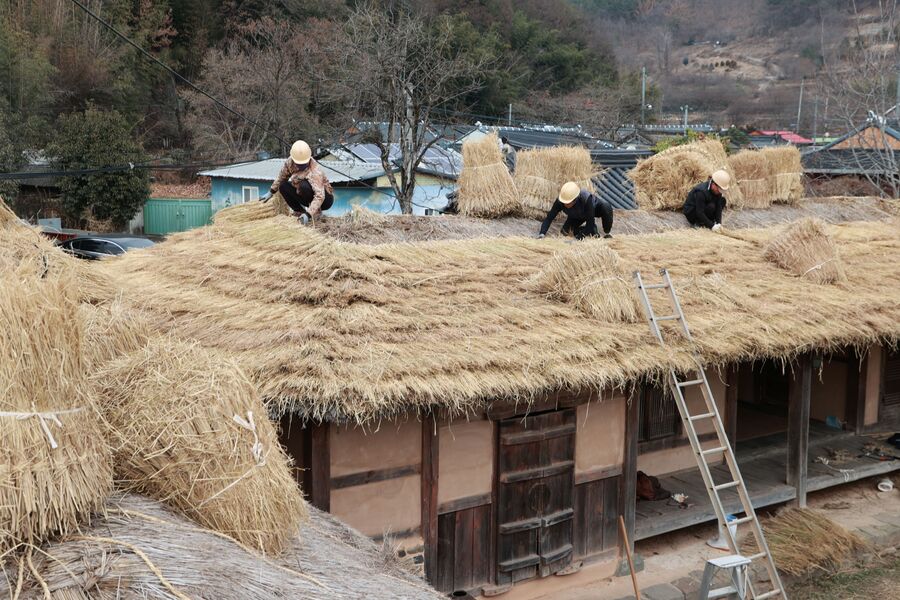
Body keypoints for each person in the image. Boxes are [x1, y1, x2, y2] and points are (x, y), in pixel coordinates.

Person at [261, 140, 334, 222]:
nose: (301, 166)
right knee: (283, 185)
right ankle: (299, 211)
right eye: (299, 164)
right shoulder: (290, 162)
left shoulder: (315, 171)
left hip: (324, 199)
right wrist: (271, 191)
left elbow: (320, 196)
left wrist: (308, 214)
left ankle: (314, 213)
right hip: (304, 194)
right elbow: (282, 176)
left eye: (303, 164)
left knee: (303, 185)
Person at [538, 181, 614, 240]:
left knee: (606, 207)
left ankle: (605, 232)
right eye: (564, 202)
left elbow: (590, 222)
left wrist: (577, 239)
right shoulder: (560, 201)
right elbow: (549, 218)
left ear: (575, 199)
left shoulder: (586, 198)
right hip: (576, 215)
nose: (565, 204)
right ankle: (586, 230)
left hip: (594, 210)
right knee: (565, 232)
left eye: (568, 202)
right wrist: (542, 233)